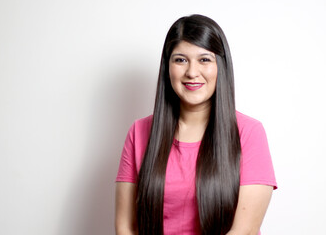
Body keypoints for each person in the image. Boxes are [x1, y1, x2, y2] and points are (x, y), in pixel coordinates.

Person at [115, 14, 277, 235]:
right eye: (180, 60)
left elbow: (245, 230)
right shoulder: (139, 132)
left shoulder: (249, 133)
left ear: (221, 66)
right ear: (167, 67)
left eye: (204, 60)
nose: (192, 72)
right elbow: (126, 227)